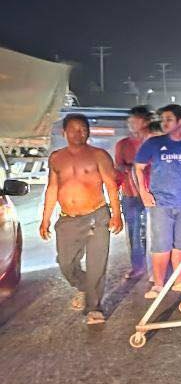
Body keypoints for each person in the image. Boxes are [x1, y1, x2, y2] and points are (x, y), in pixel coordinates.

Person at [39, 113, 123, 324]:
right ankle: (85, 287)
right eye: (74, 130)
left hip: (96, 215)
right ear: (64, 132)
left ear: (88, 132)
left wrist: (116, 215)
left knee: (97, 264)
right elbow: (52, 188)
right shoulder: (56, 158)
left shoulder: (99, 155)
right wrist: (45, 219)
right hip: (68, 219)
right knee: (66, 263)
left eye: (83, 130)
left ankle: (94, 308)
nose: (79, 133)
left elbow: (111, 186)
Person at [134, 105, 181, 299]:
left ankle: (179, 281)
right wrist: (144, 192)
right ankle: (158, 285)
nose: (164, 123)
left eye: (169, 119)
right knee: (161, 246)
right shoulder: (154, 143)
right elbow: (138, 167)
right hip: (161, 204)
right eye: (162, 119)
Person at [114, 105, 152, 281]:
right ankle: (137, 266)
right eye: (129, 121)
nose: (130, 124)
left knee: (155, 232)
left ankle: (155, 267)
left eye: (134, 121)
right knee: (134, 232)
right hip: (130, 193)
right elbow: (119, 167)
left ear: (146, 122)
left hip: (152, 194)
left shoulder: (153, 142)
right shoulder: (123, 144)